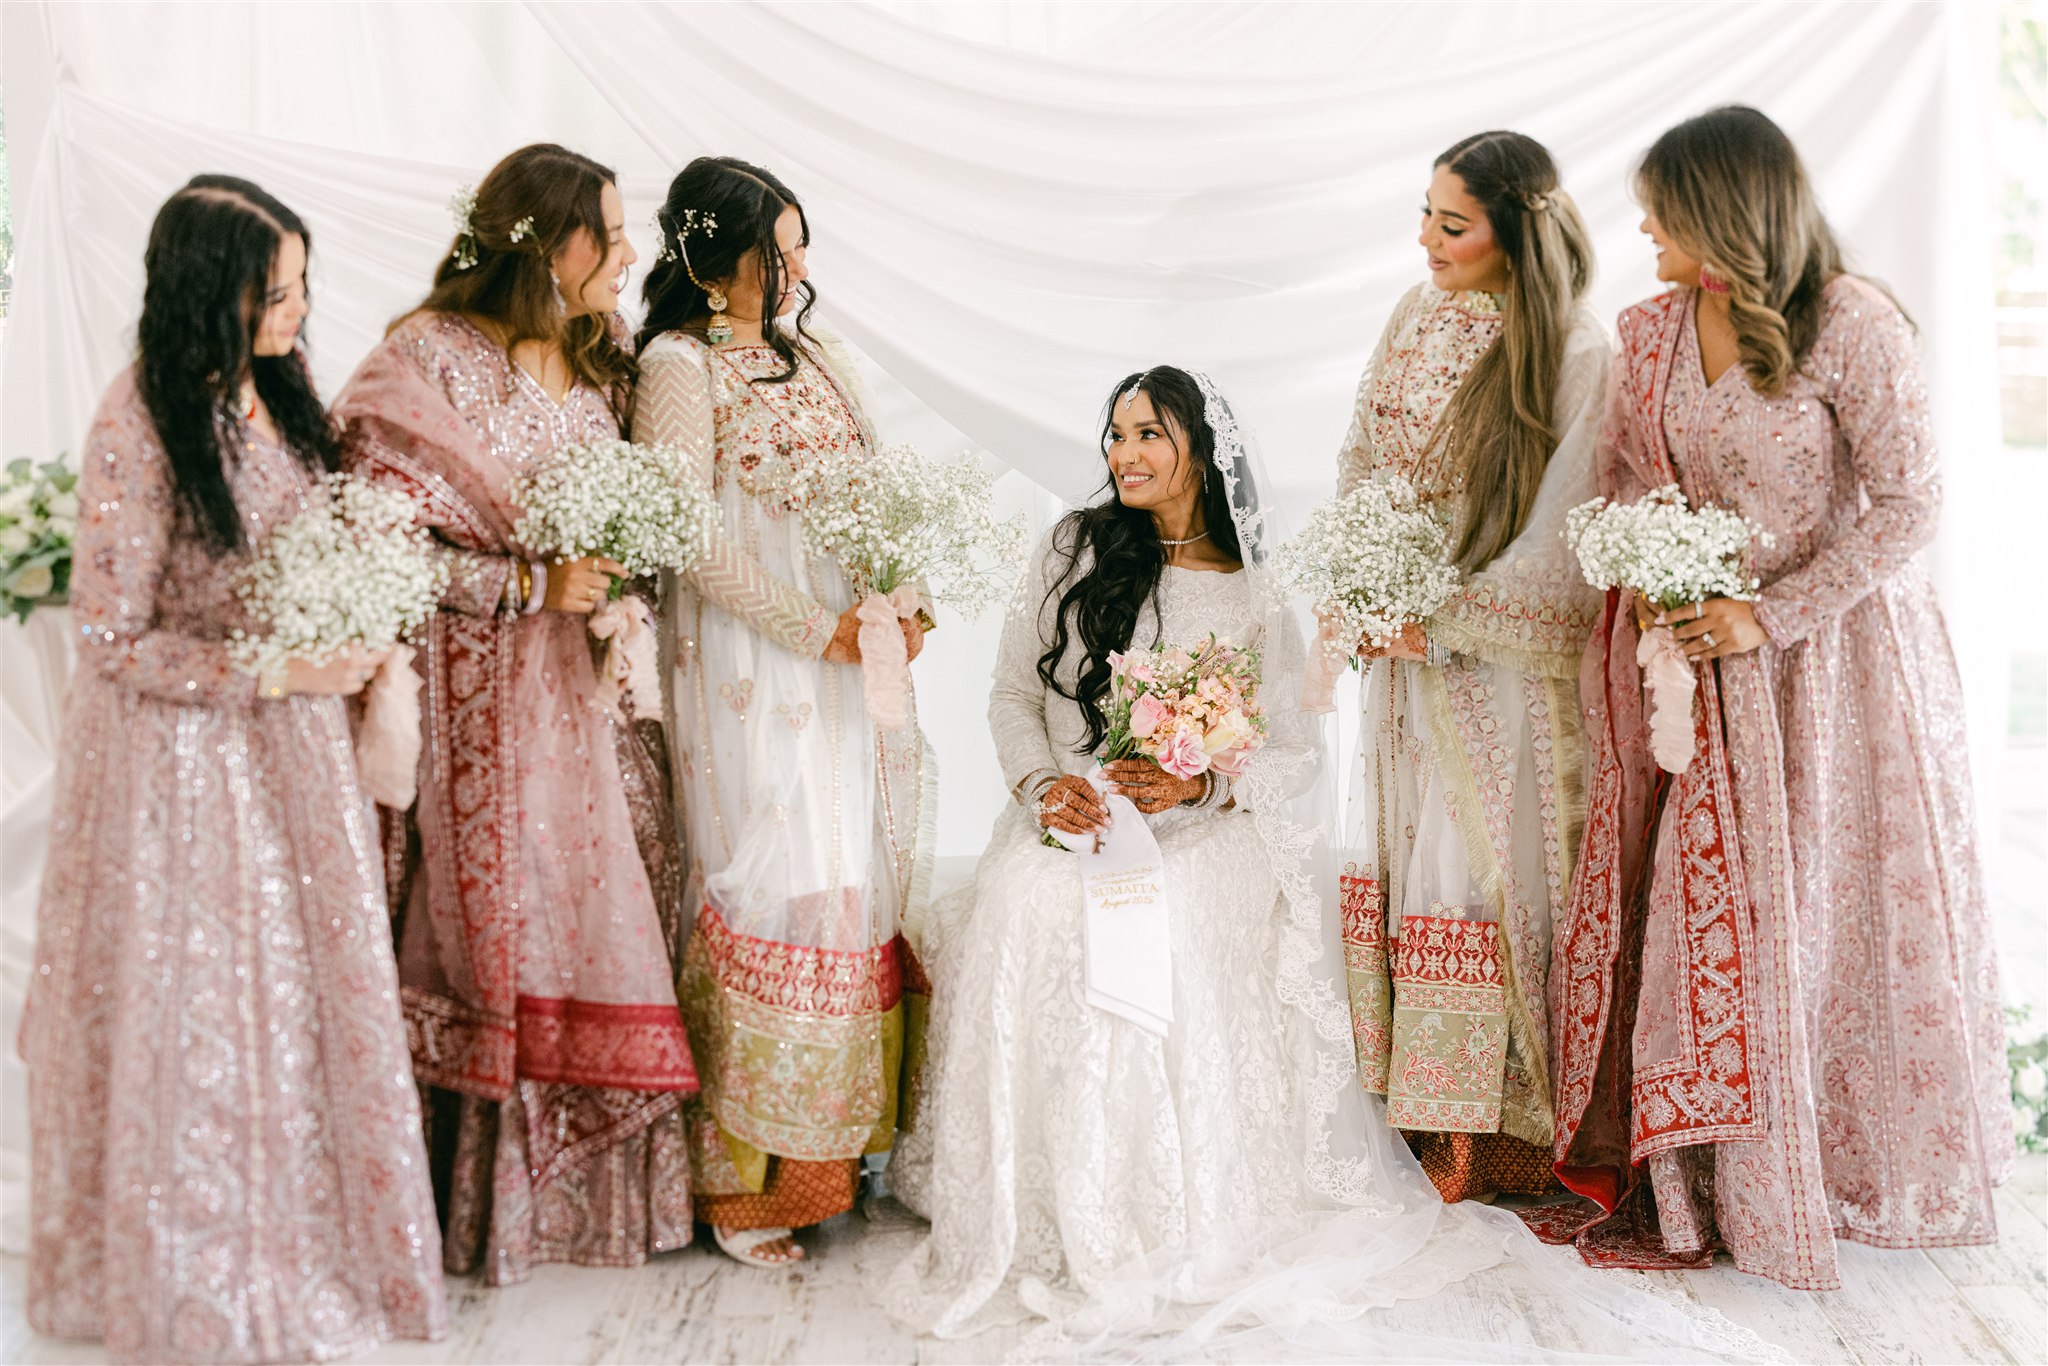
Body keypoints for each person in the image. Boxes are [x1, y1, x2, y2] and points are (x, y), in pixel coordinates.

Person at [1542, 105, 2013, 1290]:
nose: (1639, 224)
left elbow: (1909, 506)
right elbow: (1618, 488)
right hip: (1693, 668)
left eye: (1661, 205)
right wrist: (1656, 582)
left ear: (1725, 210)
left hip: (1833, 673)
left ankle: (1832, 1173)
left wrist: (1769, 613)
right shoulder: (1648, 330)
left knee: (1816, 917)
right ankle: (1699, 1187)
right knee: (1704, 928)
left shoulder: (1849, 322)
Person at [23, 176, 445, 1360]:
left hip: (297, 755)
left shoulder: (277, 398)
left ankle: (316, 1245)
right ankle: (205, 1266)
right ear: (209, 291)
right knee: (222, 1007)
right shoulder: (140, 420)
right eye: (274, 291)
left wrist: (353, 632)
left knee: (310, 1007)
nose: (296, 313)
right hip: (195, 772)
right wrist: (272, 673)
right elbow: (109, 641)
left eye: (305, 288)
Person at [333, 143, 696, 1285]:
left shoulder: (610, 364)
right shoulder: (424, 361)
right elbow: (371, 539)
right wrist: (525, 584)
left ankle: (592, 1205)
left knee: (604, 923)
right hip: (477, 716)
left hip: (596, 716)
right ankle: (484, 1212)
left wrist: (616, 587)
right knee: (503, 931)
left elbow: (645, 521)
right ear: (546, 241)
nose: (630, 251)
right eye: (611, 229)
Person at [635, 155, 930, 1268]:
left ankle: (826, 1159)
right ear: (715, 265)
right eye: (779, 247)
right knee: (766, 876)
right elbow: (687, 537)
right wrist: (819, 631)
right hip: (752, 672)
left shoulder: (821, 356)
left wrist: (904, 595)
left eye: (803, 242)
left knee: (845, 880)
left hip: (851, 657)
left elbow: (881, 490)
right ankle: (741, 1186)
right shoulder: (673, 365)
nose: (799, 266)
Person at [1333, 130, 1610, 1203]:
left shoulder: (1576, 351)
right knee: (1411, 864)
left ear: (1517, 228)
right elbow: (1360, 450)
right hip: (1402, 656)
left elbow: (1564, 533)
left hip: (1490, 666)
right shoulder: (1413, 313)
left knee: (1475, 870)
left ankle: (1492, 1138)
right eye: (1424, 215)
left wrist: (1440, 615)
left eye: (1451, 224)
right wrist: (1365, 581)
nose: (1425, 240)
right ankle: (1415, 1120)